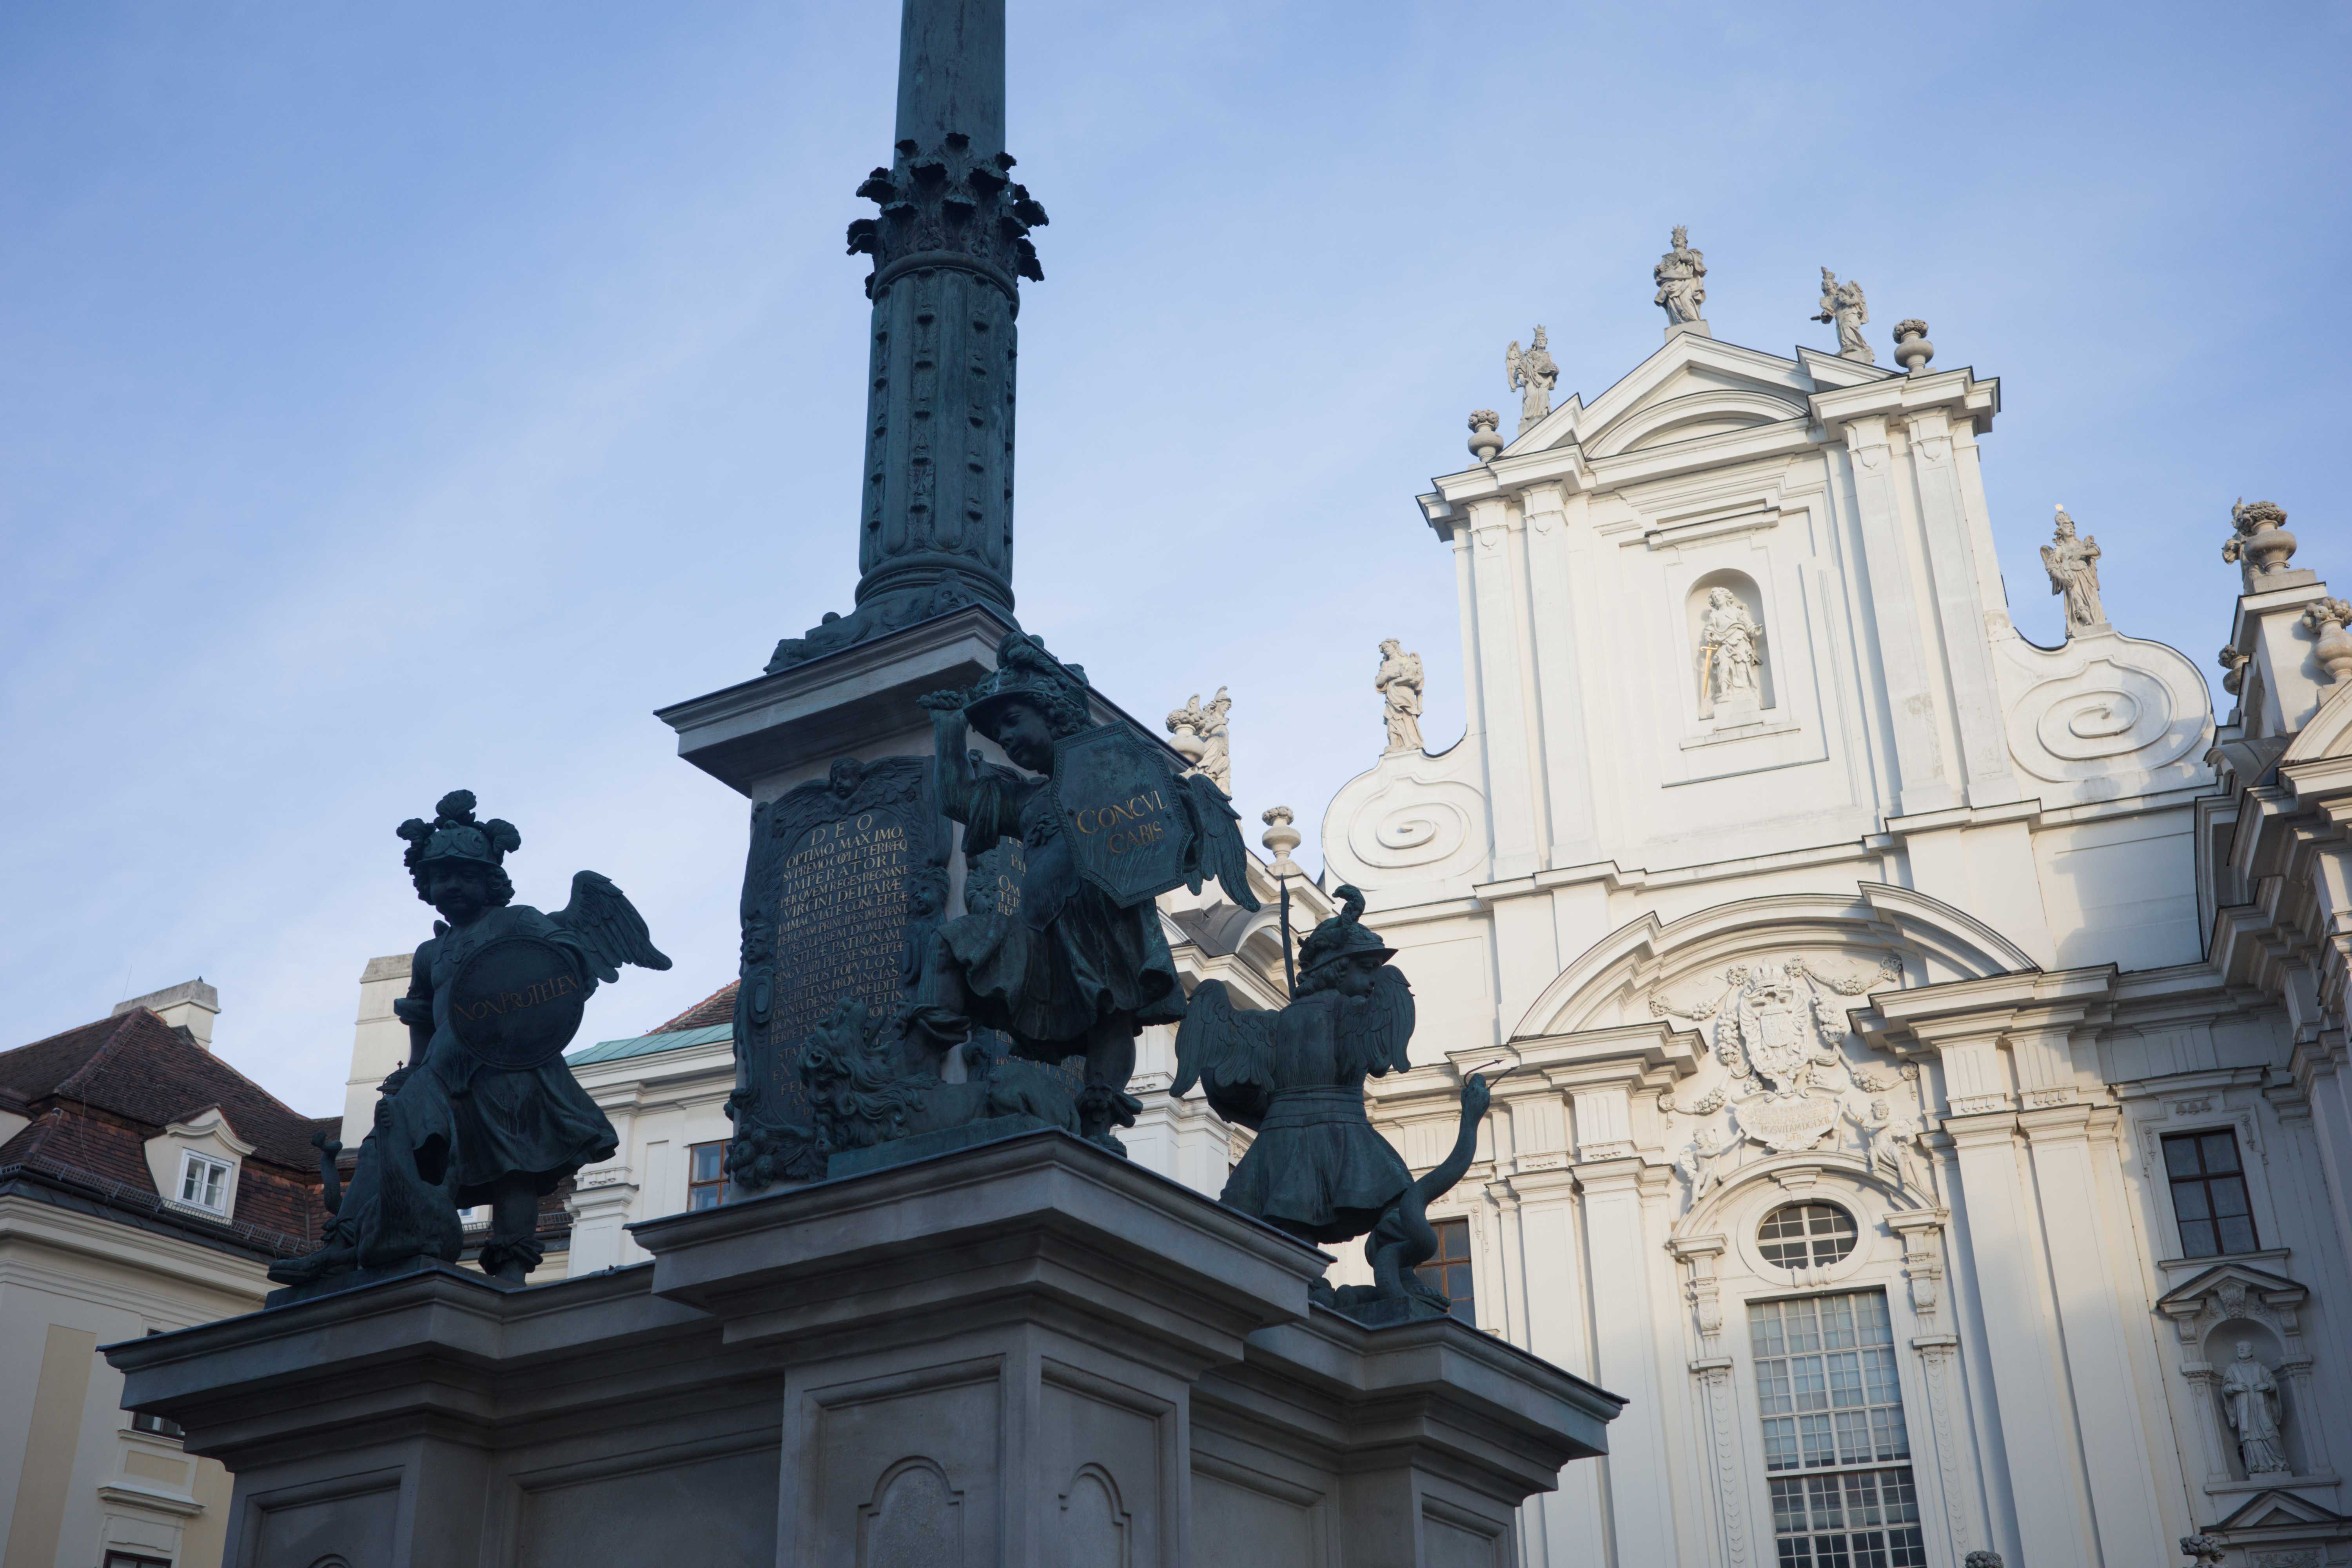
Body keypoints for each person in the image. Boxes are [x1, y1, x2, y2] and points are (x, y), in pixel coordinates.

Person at [907, 635, 1189, 1149]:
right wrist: (949, 731)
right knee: (951, 943)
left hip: (1104, 921)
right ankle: (920, 1084)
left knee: (1110, 1016)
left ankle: (1099, 1121)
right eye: (998, 731)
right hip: (1038, 929)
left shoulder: (1113, 774)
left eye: (1013, 721)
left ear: (1053, 715)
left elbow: (1163, 818)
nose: (1006, 738)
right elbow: (957, 800)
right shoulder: (1029, 798)